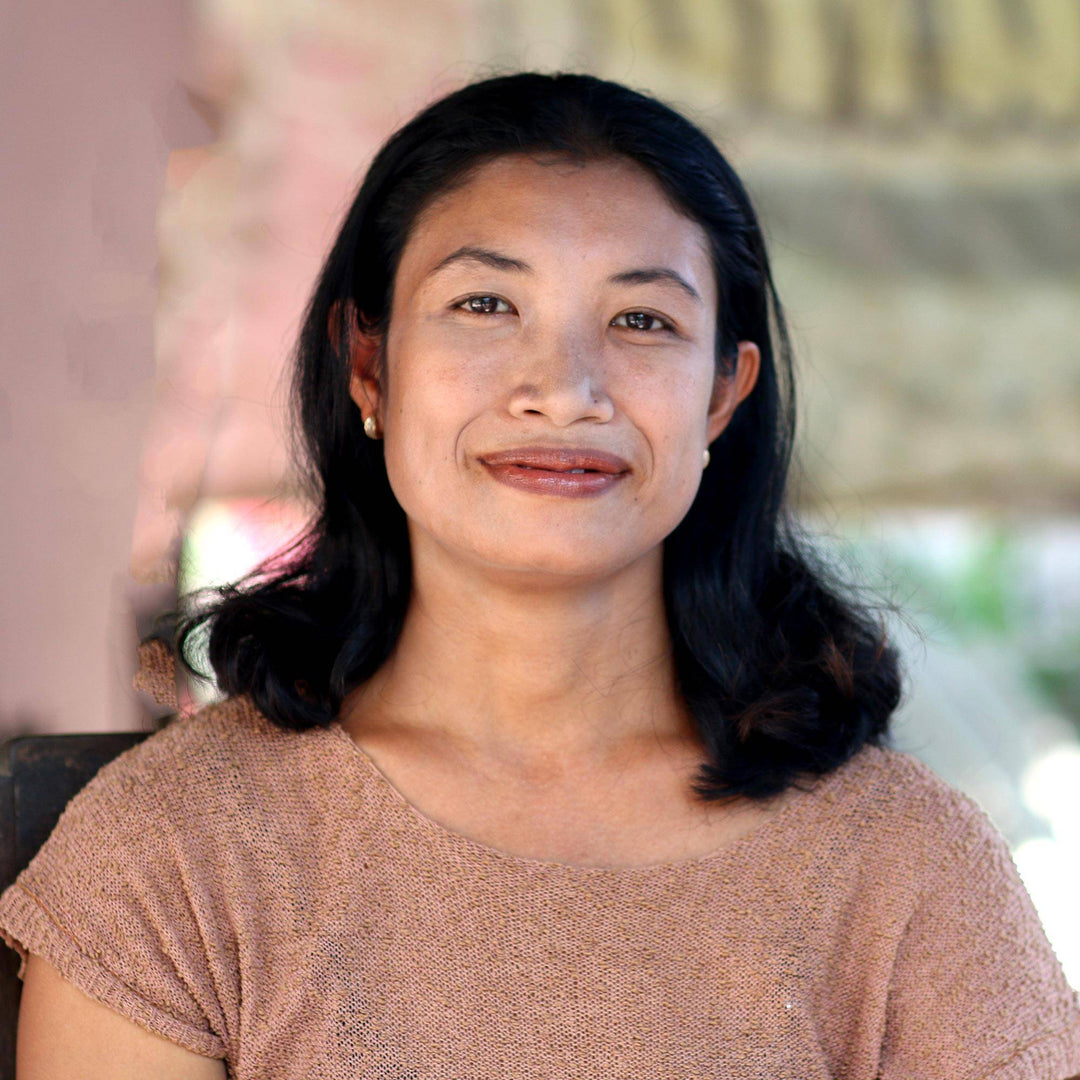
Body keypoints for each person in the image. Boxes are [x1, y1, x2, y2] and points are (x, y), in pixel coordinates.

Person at [2, 70, 1078, 1080]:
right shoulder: (177, 853)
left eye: (642, 320)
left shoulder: (903, 863)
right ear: (369, 365)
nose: (563, 390)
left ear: (721, 398)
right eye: (485, 305)